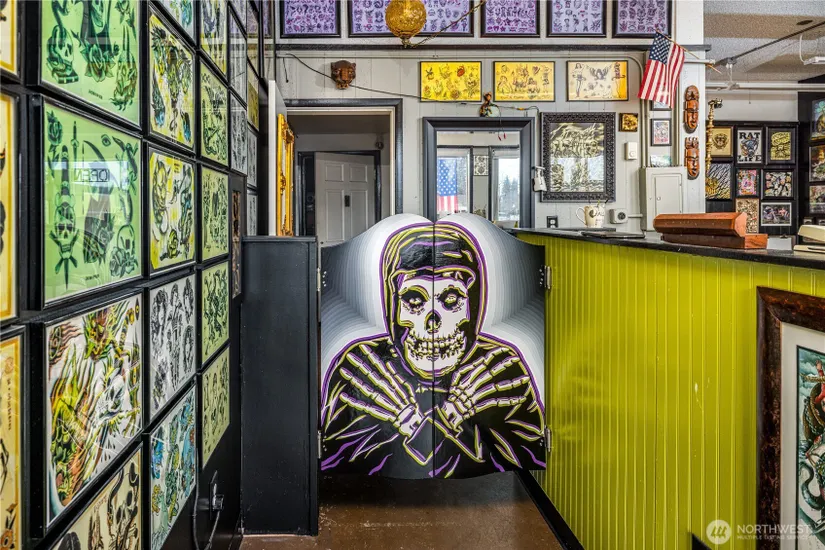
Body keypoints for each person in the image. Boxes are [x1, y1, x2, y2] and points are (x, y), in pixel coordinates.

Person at [320, 222, 545, 478]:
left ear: (473, 305)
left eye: (452, 300)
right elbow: (339, 453)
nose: (433, 322)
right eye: (414, 300)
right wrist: (449, 416)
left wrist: (414, 422)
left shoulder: (498, 368)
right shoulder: (364, 366)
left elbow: (525, 449)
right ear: (392, 306)